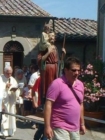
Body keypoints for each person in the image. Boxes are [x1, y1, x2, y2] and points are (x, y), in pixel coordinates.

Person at [44, 57, 86, 140]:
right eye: (74, 70)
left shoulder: (80, 85)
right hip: (60, 125)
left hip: (75, 127)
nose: (77, 73)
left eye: (79, 70)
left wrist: (82, 124)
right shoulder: (57, 84)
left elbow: (80, 105)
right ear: (66, 70)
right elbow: (48, 105)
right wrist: (47, 126)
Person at [0, 66, 19, 137]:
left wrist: (15, 90)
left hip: (11, 101)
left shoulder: (13, 79)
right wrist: (6, 88)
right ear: (4, 72)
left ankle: (10, 131)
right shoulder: (0, 79)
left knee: (11, 117)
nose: (9, 75)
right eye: (8, 73)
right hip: (4, 102)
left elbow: (16, 89)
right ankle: (3, 132)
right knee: (4, 117)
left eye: (11, 73)